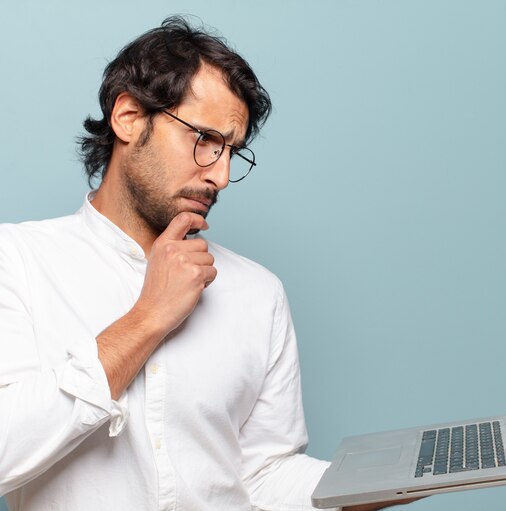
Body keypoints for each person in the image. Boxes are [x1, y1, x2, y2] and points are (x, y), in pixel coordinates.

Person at [0, 16, 414, 511]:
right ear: (129, 117)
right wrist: (148, 318)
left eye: (231, 152)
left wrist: (389, 480)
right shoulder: (17, 262)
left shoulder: (259, 293)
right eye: (204, 140)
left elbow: (262, 476)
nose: (219, 175)